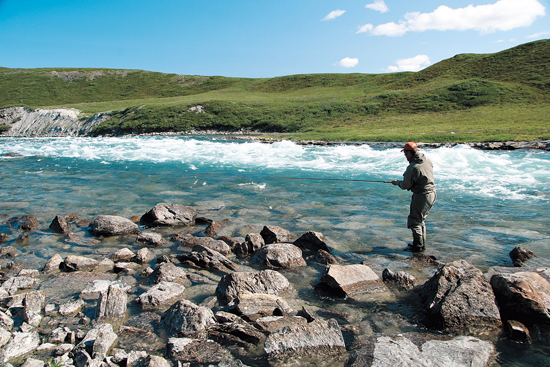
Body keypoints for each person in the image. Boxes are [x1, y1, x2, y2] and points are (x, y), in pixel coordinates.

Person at [391, 142, 436, 252]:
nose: (405, 156)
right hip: (432, 193)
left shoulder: (412, 167)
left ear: (410, 152)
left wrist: (397, 183)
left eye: (405, 153)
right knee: (420, 220)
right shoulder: (426, 159)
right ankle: (420, 245)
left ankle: (418, 247)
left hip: (422, 195)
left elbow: (406, 185)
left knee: (414, 221)